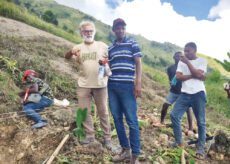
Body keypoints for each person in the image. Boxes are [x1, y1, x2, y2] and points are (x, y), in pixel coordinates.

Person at [65, 21, 112, 149]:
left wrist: (108, 67)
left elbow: (111, 59)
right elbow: (67, 57)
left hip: (101, 85)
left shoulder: (102, 46)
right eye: (86, 31)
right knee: (85, 112)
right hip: (83, 84)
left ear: (94, 32)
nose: (89, 33)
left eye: (91, 31)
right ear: (81, 33)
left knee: (103, 112)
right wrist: (71, 51)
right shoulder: (78, 47)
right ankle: (89, 135)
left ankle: (107, 138)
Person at [108, 18, 142, 164]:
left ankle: (135, 155)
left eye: (123, 28)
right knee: (116, 118)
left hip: (128, 87)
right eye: (118, 28)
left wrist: (138, 83)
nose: (120, 30)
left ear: (125, 29)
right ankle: (125, 150)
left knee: (132, 120)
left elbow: (138, 63)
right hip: (112, 87)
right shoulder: (110, 48)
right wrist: (103, 66)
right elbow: (108, 68)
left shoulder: (132, 43)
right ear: (114, 30)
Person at [170, 42, 207, 159]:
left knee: (201, 122)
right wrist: (195, 76)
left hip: (198, 94)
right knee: (174, 115)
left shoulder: (202, 61)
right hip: (185, 94)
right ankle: (179, 143)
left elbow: (198, 72)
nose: (186, 53)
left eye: (188, 51)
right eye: (185, 51)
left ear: (194, 50)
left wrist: (188, 63)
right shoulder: (181, 62)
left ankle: (200, 148)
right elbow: (179, 77)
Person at [153, 52, 194, 135]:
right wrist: (172, 84)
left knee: (188, 109)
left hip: (184, 92)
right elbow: (170, 79)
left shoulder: (185, 68)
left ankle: (190, 129)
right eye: (177, 56)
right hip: (173, 91)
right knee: (165, 105)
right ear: (174, 57)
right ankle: (161, 122)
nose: (178, 57)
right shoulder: (170, 68)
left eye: (180, 56)